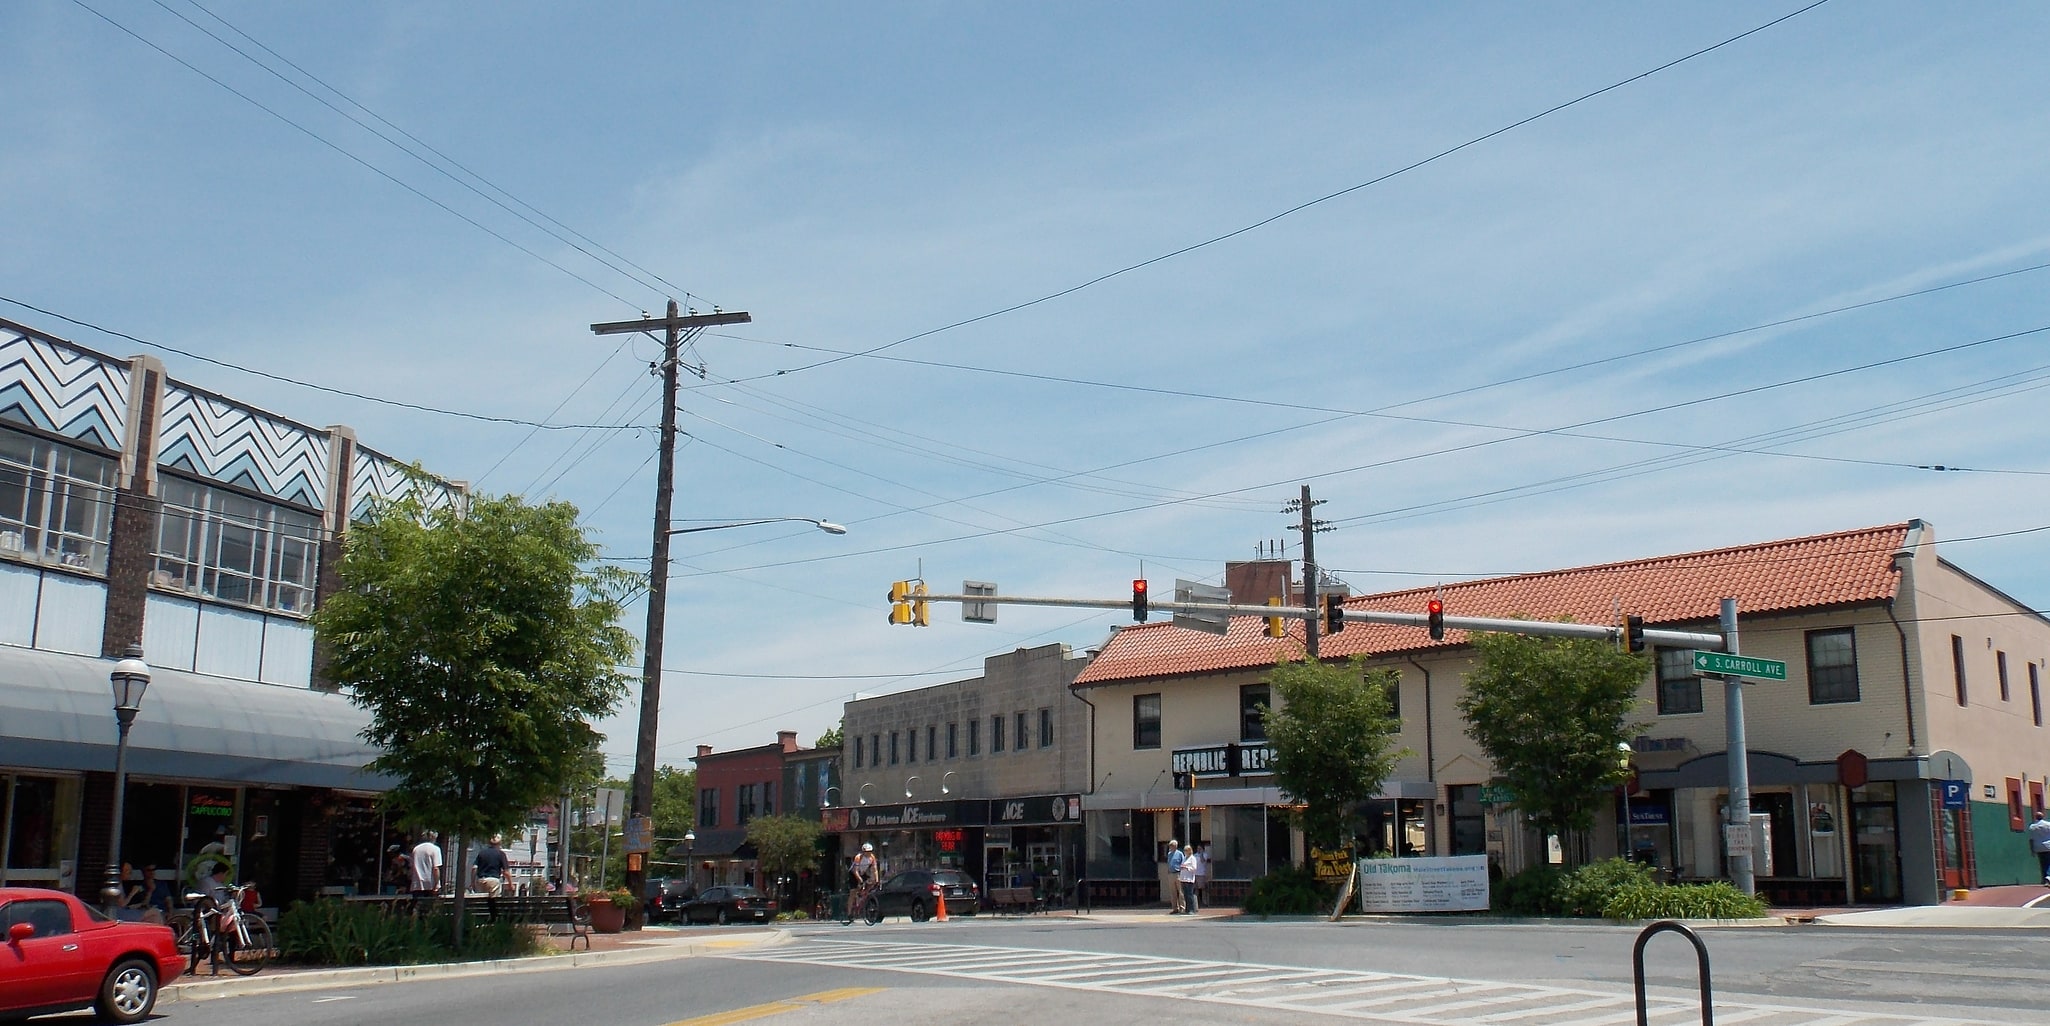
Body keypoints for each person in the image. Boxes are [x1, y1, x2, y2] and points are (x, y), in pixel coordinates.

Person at [410, 830, 443, 909]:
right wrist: (437, 884)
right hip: (430, 884)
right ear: (433, 837)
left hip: (416, 884)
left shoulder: (415, 849)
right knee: (429, 909)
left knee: (417, 909)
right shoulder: (435, 849)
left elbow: (412, 867)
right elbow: (436, 868)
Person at [1176, 844, 1200, 915]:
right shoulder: (1185, 858)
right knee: (1185, 895)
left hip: (1189, 879)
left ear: (1190, 851)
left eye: (1186, 850)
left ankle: (1192, 909)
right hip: (1183, 878)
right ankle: (1187, 909)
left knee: (1190, 895)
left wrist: (1187, 868)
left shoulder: (1193, 858)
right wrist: (1181, 867)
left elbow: (1194, 868)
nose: (1185, 851)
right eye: (1184, 850)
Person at [2027, 809, 2050, 884]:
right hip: (2048, 846)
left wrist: (2032, 850)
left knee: (2042, 863)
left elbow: (2031, 839)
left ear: (2035, 817)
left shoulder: (2032, 827)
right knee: (2048, 862)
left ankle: (2044, 878)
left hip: (2038, 847)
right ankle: (2048, 876)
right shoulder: (2048, 824)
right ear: (2043, 817)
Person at [1165, 839, 1186, 914]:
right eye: (1170, 845)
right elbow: (1168, 863)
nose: (1171, 847)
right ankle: (1175, 908)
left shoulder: (1180, 853)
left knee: (1180, 891)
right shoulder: (1169, 854)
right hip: (1171, 874)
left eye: (1172, 845)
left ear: (1175, 846)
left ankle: (1182, 907)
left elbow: (1183, 863)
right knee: (1172, 892)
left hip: (1178, 873)